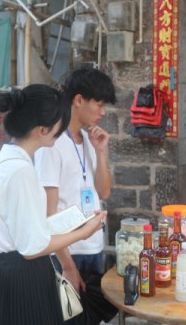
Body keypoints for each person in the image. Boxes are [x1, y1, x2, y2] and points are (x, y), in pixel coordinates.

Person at [0, 84, 106, 325]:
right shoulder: (20, 171)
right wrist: (84, 232)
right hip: (24, 278)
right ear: (42, 129)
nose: (61, 130)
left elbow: (27, 229)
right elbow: (33, 247)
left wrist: (75, 222)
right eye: (60, 124)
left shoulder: (9, 159)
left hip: (16, 272)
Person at [35, 67, 116, 292]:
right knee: (67, 310)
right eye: (99, 104)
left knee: (91, 310)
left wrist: (101, 152)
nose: (103, 112)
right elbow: (48, 213)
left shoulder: (90, 139)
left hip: (93, 245)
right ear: (79, 100)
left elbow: (104, 192)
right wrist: (67, 266)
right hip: (66, 252)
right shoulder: (51, 144)